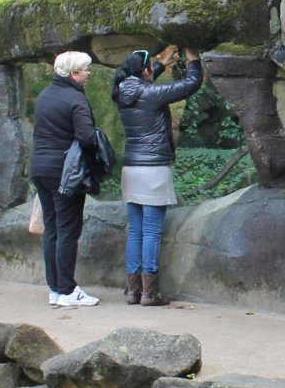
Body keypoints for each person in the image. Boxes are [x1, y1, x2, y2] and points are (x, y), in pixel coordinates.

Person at [113, 45, 203, 305]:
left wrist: (161, 63)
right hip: (153, 170)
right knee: (152, 232)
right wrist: (193, 60)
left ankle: (132, 291)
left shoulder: (121, 91)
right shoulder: (150, 94)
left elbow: (144, 78)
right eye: (150, 66)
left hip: (131, 170)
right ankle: (149, 293)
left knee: (136, 232)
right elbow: (191, 84)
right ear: (144, 71)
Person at [28, 50, 100, 307]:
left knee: (52, 228)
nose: (88, 74)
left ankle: (55, 289)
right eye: (84, 70)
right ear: (73, 74)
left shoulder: (46, 96)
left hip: (40, 168)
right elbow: (87, 137)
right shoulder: (75, 99)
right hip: (65, 172)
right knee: (68, 229)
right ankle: (68, 290)